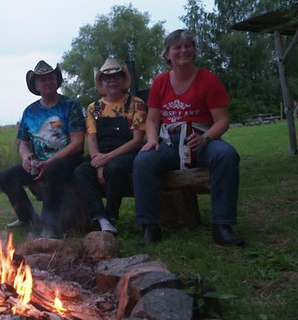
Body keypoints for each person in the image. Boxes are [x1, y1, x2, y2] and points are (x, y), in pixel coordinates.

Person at [133, 29, 244, 246]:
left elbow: (222, 120)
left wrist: (206, 139)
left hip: (202, 140)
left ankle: (222, 225)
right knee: (142, 161)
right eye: (177, 47)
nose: (183, 50)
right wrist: (153, 140)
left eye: (188, 46)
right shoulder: (160, 82)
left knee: (226, 155)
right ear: (167, 54)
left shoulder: (208, 79)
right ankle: (149, 227)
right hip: (170, 142)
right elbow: (152, 119)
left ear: (194, 51)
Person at [0, 60, 85, 238]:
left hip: (68, 160)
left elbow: (77, 143)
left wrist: (49, 162)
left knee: (53, 169)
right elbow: (23, 143)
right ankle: (29, 219)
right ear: (36, 85)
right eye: (42, 80)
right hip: (39, 163)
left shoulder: (71, 106)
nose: (47, 82)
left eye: (50, 78)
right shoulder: (29, 111)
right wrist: (27, 158)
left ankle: (49, 225)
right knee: (6, 176)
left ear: (57, 80)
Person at [73, 58, 146, 234]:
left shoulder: (136, 104)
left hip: (127, 152)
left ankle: (112, 215)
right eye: (107, 78)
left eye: (116, 77)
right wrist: (98, 163)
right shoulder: (93, 107)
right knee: (80, 172)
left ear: (122, 80)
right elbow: (91, 138)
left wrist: (107, 158)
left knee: (114, 168)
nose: (112, 81)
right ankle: (101, 218)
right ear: (102, 82)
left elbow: (137, 140)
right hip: (100, 154)